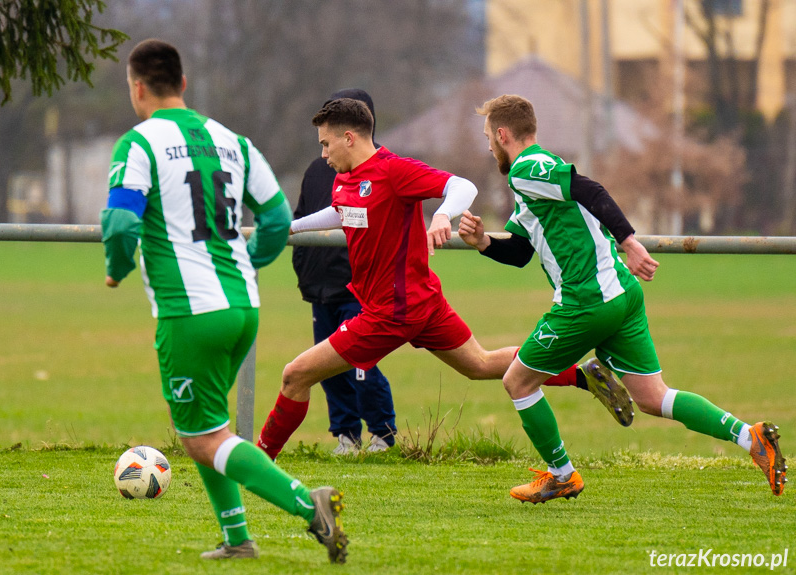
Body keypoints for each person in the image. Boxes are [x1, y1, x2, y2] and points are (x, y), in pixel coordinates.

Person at [256, 97, 635, 461]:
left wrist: (442, 216)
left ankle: (256, 462)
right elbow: (340, 214)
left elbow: (462, 187)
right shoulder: (345, 180)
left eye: (326, 144)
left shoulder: (394, 170)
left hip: (392, 311)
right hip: (421, 303)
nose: (323, 153)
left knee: (295, 375)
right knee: (481, 365)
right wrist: (287, 229)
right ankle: (584, 376)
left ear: (349, 138)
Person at [461, 93, 787, 504]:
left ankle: (562, 474)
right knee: (654, 397)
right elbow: (520, 251)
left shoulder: (526, 167)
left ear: (502, 134)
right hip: (621, 295)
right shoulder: (533, 180)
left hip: (587, 301)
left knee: (518, 382)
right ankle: (750, 437)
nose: (488, 144)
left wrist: (629, 241)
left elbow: (590, 188)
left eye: (488, 135)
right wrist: (483, 241)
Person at [100, 39, 347, 563]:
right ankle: (238, 540)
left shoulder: (138, 144)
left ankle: (310, 506)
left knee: (202, 438)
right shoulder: (232, 140)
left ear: (137, 88)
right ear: (183, 85)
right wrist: (245, 263)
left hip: (191, 313)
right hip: (243, 305)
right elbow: (279, 220)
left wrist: (117, 269)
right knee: (211, 431)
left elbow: (121, 222)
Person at [293, 88, 397, 455]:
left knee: (361, 363)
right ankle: (346, 434)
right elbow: (302, 219)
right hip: (319, 287)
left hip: (359, 287)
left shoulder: (385, 170)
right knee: (325, 365)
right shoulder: (316, 171)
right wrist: (304, 269)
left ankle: (382, 433)